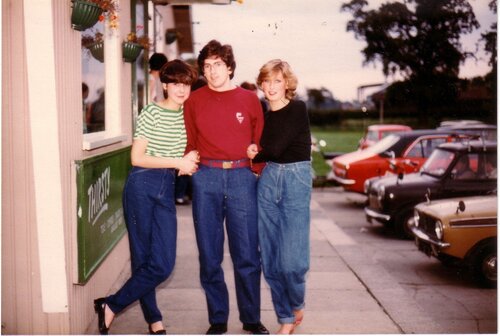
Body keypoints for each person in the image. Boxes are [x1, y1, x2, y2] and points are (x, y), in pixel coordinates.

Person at [94, 59, 199, 335]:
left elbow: (194, 146)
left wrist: (189, 157)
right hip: (142, 184)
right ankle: (154, 319)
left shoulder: (189, 115)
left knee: (163, 263)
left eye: (186, 84)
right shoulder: (150, 112)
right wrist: (178, 162)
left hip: (166, 187)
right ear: (164, 84)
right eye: (175, 83)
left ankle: (111, 304)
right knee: (143, 258)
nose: (181, 89)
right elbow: (137, 157)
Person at [183, 39, 269, 335]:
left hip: (242, 177)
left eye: (218, 64)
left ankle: (251, 318)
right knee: (209, 253)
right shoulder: (194, 100)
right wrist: (190, 161)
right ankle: (217, 318)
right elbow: (190, 140)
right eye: (207, 66)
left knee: (246, 253)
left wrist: (256, 164)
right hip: (206, 177)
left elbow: (260, 139)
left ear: (230, 67)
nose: (212, 70)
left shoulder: (249, 99)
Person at [247, 59, 312, 335]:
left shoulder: (298, 108)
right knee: (271, 258)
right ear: (261, 84)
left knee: (292, 262)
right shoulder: (264, 114)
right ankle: (285, 318)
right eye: (266, 81)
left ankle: (296, 302)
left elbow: (275, 147)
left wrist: (255, 154)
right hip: (269, 180)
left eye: (277, 81)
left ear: (287, 83)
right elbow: (258, 143)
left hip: (296, 179)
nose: (271, 86)